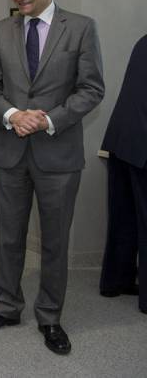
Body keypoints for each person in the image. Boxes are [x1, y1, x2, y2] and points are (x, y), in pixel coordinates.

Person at [0, 0, 104, 355]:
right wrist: (13, 114)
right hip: (10, 153)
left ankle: (49, 317)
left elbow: (91, 88)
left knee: (54, 242)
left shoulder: (80, 28)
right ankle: (7, 306)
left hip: (58, 157)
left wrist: (48, 119)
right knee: (8, 237)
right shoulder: (1, 30)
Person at [99, 34, 147, 314]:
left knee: (123, 217)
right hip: (141, 145)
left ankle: (116, 281)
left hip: (121, 139)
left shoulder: (143, 40)